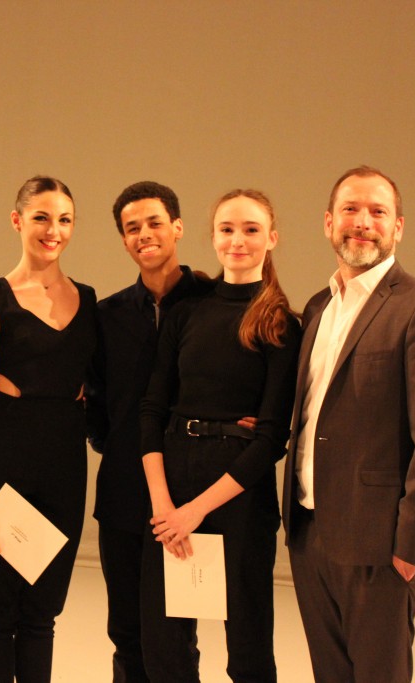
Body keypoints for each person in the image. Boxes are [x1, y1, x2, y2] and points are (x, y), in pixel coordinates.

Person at [282, 166, 415, 683]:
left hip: (380, 545)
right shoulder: (318, 308)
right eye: (350, 209)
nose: (362, 222)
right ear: (327, 222)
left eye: (378, 212)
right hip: (309, 533)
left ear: (398, 228)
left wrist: (413, 548)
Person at [139, 189, 301, 682]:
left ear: (271, 238)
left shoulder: (279, 324)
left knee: (248, 647)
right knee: (164, 645)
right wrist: (165, 506)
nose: (238, 240)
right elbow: (152, 410)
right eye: (227, 229)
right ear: (212, 237)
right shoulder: (187, 312)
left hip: (238, 496)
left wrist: (196, 511)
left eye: (251, 229)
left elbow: (271, 440)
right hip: (172, 487)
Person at [0, 176, 97, 682]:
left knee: (42, 615)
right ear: (17, 221)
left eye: (63, 219)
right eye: (40, 217)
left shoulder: (88, 301)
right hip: (4, 467)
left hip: (63, 469)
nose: (52, 229)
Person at [85, 181, 214, 682]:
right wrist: (115, 445)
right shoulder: (108, 315)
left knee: (177, 635)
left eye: (154, 223)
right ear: (123, 239)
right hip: (122, 495)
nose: (144, 234)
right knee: (127, 631)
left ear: (177, 228)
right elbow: (92, 399)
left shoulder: (211, 303)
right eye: (131, 227)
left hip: (188, 493)